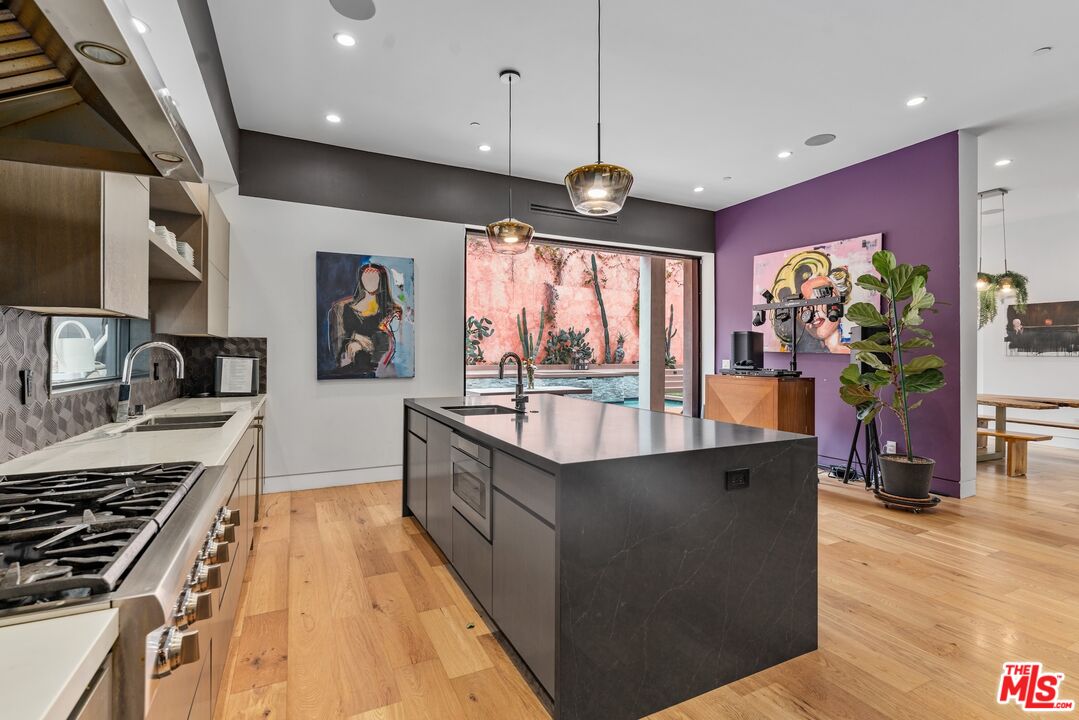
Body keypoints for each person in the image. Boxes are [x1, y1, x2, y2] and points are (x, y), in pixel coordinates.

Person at [769, 250, 852, 354]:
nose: (811, 311)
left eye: (819, 297)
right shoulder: (794, 350)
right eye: (802, 304)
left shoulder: (859, 353)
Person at [328, 263, 403, 377]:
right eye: (366, 276)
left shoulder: (392, 311)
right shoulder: (341, 308)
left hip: (379, 370)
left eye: (374, 277)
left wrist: (365, 345)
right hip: (349, 369)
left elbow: (392, 346)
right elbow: (337, 345)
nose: (370, 281)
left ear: (381, 280)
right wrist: (354, 338)